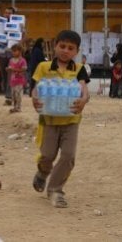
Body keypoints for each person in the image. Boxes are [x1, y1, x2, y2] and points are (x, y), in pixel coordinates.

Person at [31, 30, 90, 208]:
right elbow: (36, 87)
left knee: (68, 156)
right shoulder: (43, 67)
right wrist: (35, 98)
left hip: (71, 121)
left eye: (70, 48)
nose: (65, 51)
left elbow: (83, 88)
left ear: (76, 51)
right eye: (62, 46)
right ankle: (42, 173)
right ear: (55, 46)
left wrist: (84, 99)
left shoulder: (79, 69)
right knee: (47, 155)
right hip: (48, 120)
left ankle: (55, 190)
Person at [7, 43, 28, 113]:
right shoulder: (11, 60)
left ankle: (18, 107)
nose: (13, 53)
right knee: (13, 95)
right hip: (13, 80)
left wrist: (13, 70)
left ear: (20, 51)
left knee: (18, 95)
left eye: (15, 51)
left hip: (19, 80)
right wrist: (8, 70)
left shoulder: (22, 60)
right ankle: (15, 107)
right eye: (12, 51)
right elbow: (10, 69)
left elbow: (24, 69)